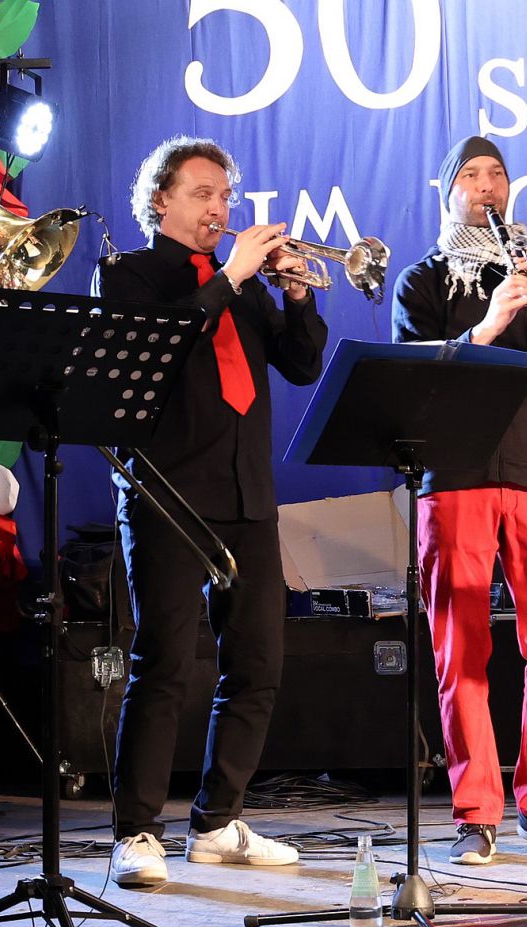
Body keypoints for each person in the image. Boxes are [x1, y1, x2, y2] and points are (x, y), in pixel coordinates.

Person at [93, 136, 327, 887]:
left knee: (256, 665)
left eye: (225, 196)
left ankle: (217, 821)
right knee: (162, 662)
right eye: (203, 194)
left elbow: (302, 365)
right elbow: (157, 351)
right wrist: (230, 276)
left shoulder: (247, 288)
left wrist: (296, 297)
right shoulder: (127, 275)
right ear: (160, 200)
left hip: (246, 492)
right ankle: (136, 831)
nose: (219, 209)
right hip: (166, 493)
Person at [391, 136, 527, 865]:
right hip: (455, 480)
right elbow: (415, 384)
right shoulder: (422, 282)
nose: (486, 186)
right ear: (448, 192)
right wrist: (487, 325)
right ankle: (475, 811)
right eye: (470, 176)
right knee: (462, 650)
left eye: (497, 175)